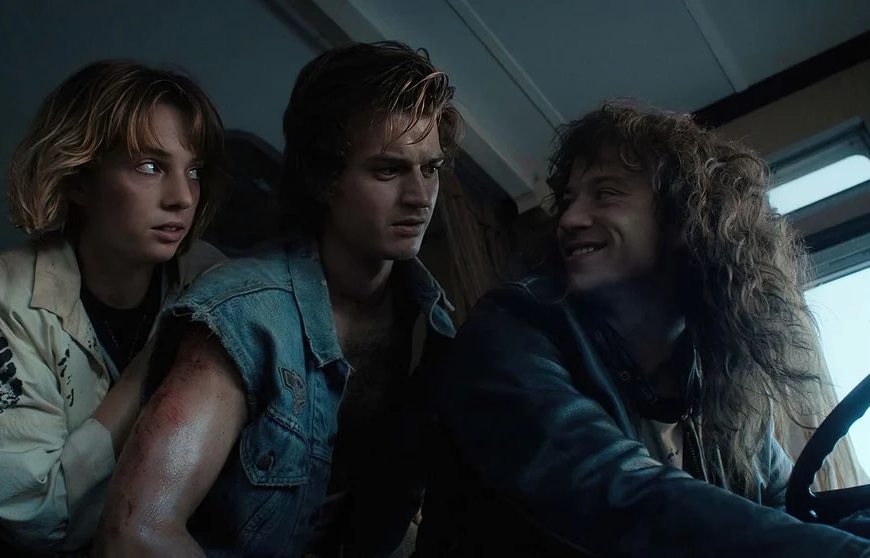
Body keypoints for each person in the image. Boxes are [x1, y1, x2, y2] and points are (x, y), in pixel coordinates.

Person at [414, 101, 870, 557]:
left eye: (605, 194)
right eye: (568, 201)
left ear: (684, 218)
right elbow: (614, 494)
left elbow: (786, 511)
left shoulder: (715, 380)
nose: (569, 220)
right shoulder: (511, 328)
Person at [96, 41, 461, 557]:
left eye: (431, 168)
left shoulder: (434, 325)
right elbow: (136, 533)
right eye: (387, 170)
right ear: (323, 178)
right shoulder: (245, 317)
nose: (420, 197)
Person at [0, 60, 226, 554]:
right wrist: (158, 355)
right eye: (150, 167)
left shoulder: (215, 279)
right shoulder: (9, 300)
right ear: (78, 178)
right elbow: (37, 519)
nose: (183, 197)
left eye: (193, 171)